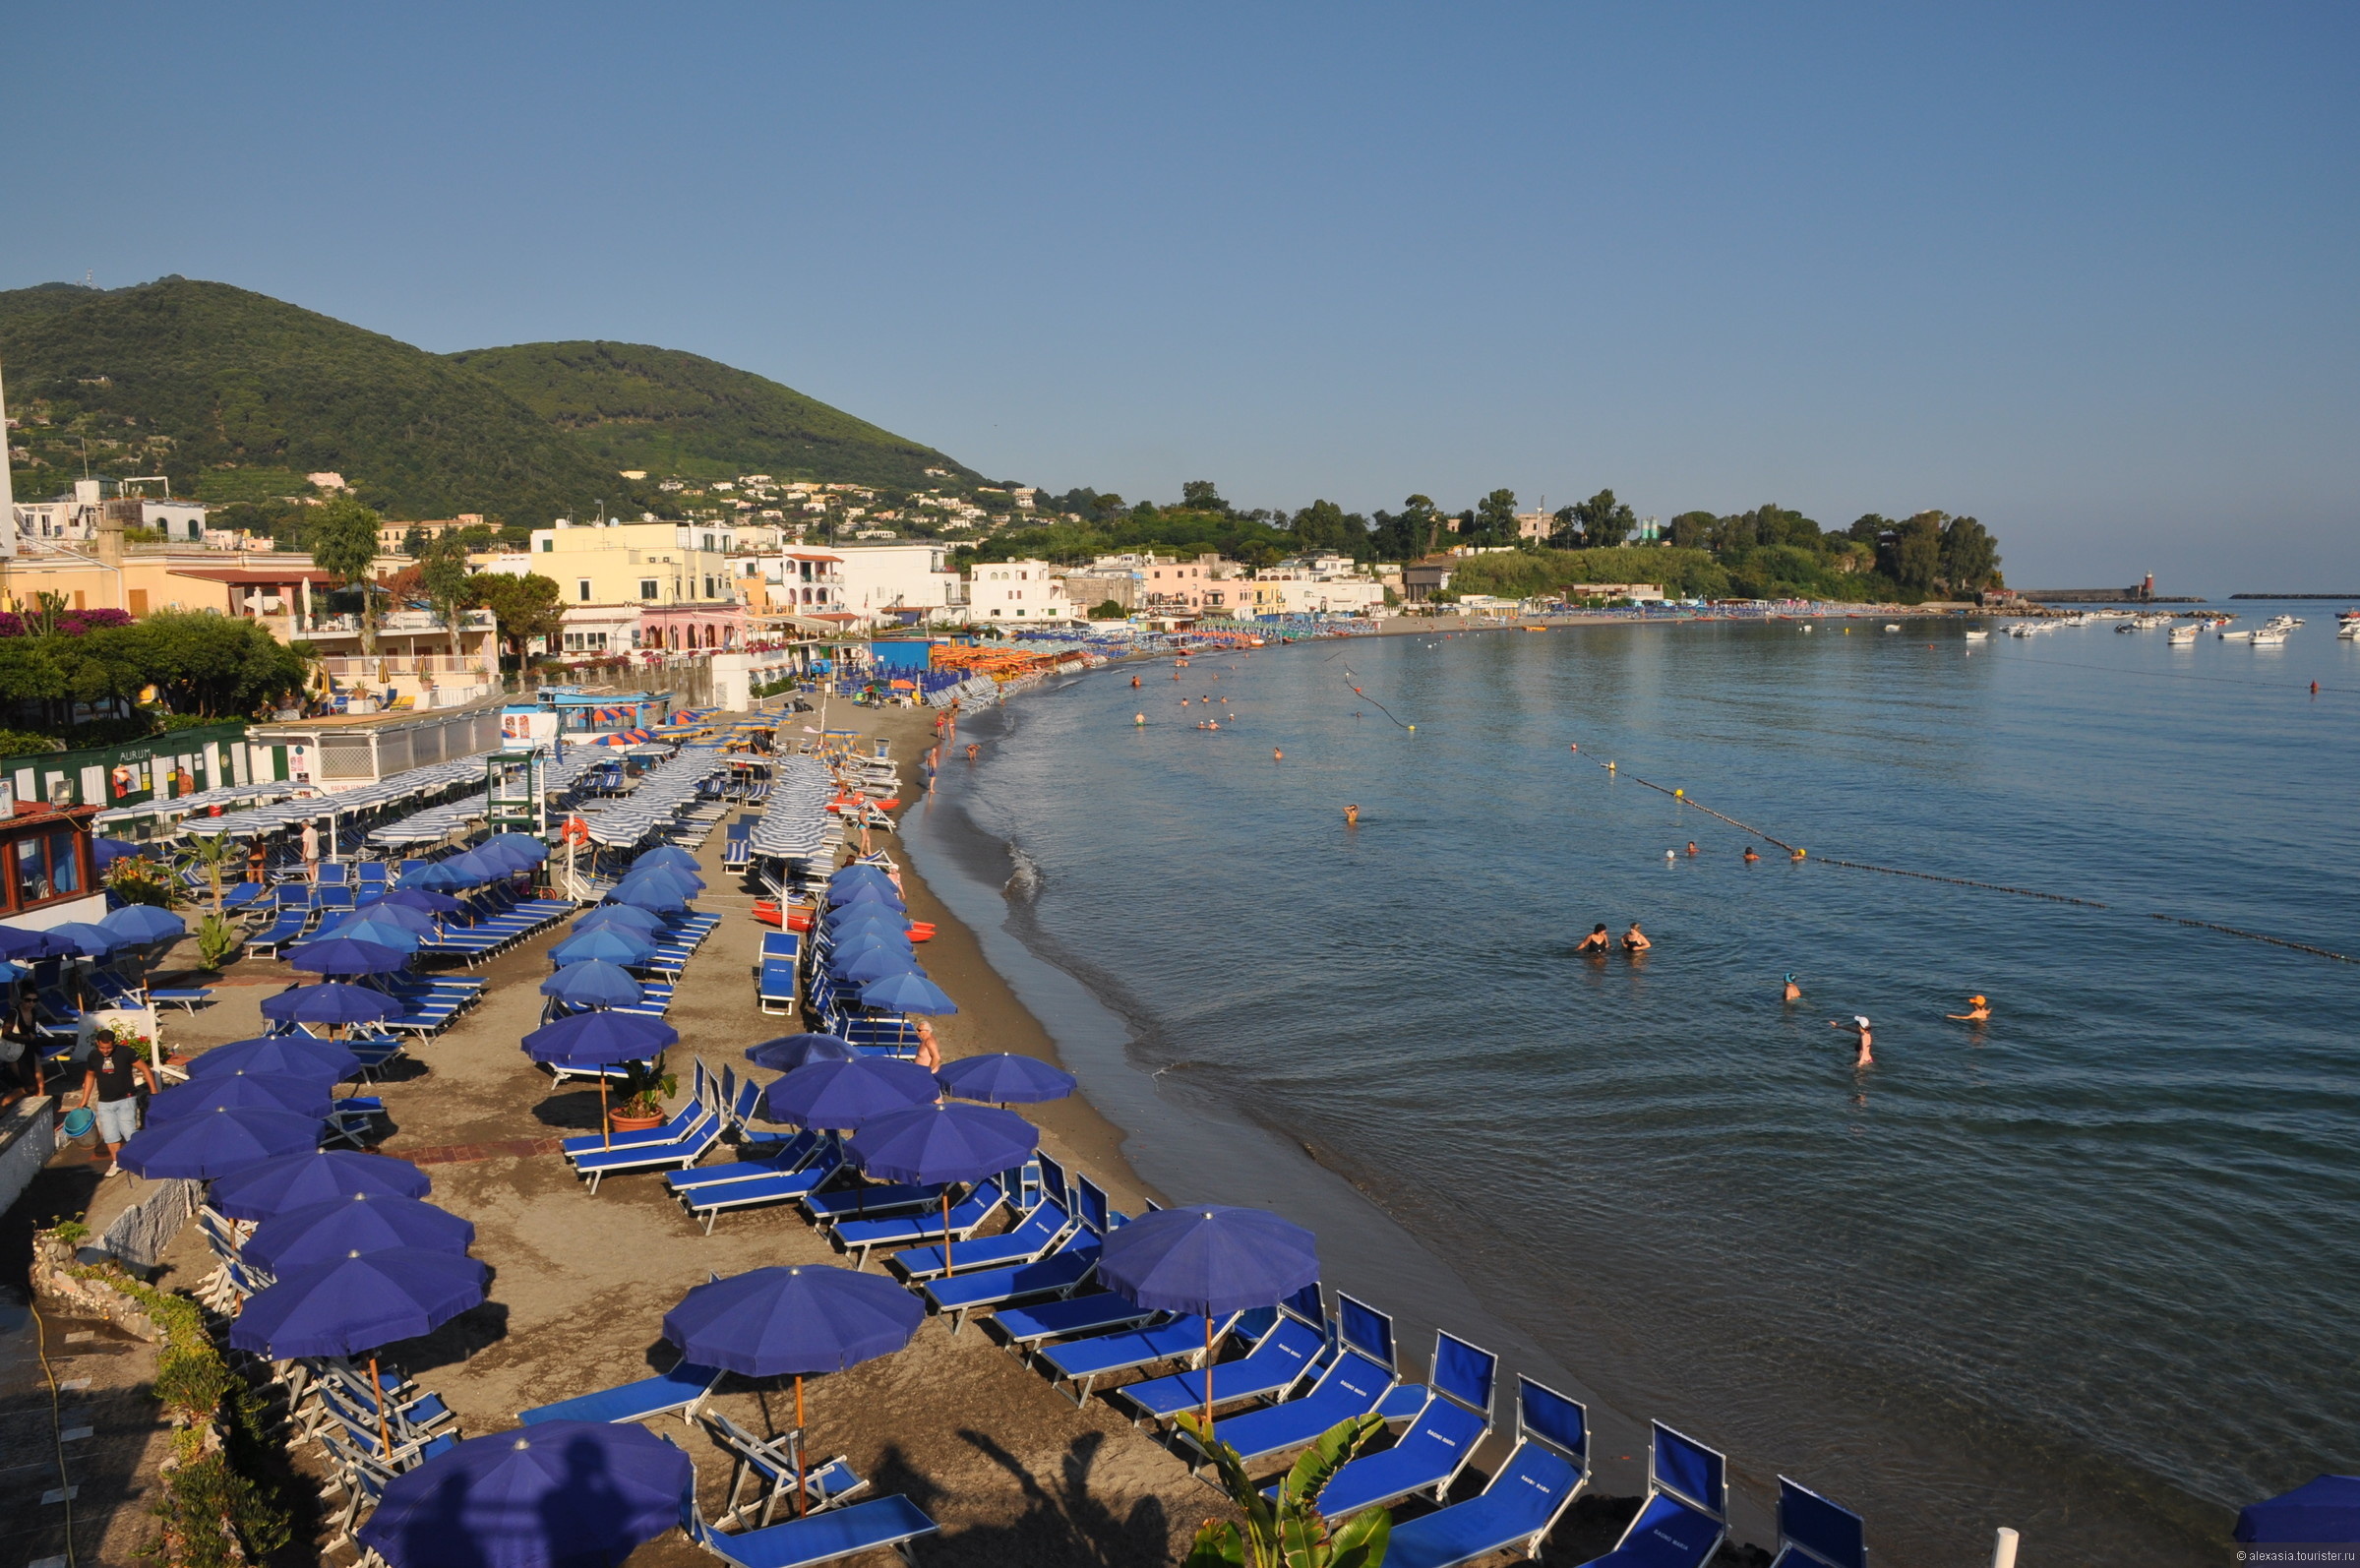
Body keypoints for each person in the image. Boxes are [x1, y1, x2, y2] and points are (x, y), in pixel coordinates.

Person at [79, 1029, 157, 1176]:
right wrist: (84, 1100)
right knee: (110, 1135)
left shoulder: (126, 1052)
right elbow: (90, 1076)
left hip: (126, 1099)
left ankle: (138, 1159)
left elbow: (145, 1069)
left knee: (129, 1131)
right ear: (97, 1044)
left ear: (114, 1044)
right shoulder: (94, 1056)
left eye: (108, 1048)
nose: (105, 1051)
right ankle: (117, 1162)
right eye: (102, 1048)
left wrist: (154, 1092)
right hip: (105, 1102)